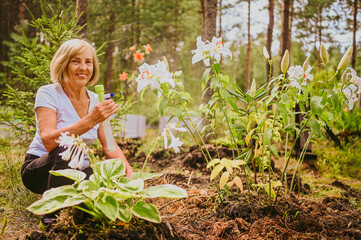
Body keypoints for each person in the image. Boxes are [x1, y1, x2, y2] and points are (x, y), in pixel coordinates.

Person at [21, 39, 133, 195]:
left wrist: (129, 174)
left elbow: (110, 146)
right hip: (39, 169)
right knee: (70, 146)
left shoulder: (96, 100)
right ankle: (52, 216)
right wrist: (91, 119)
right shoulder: (48, 93)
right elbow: (47, 141)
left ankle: (77, 211)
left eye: (88, 62)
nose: (83, 67)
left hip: (78, 169)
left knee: (111, 180)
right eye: (76, 61)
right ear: (63, 64)